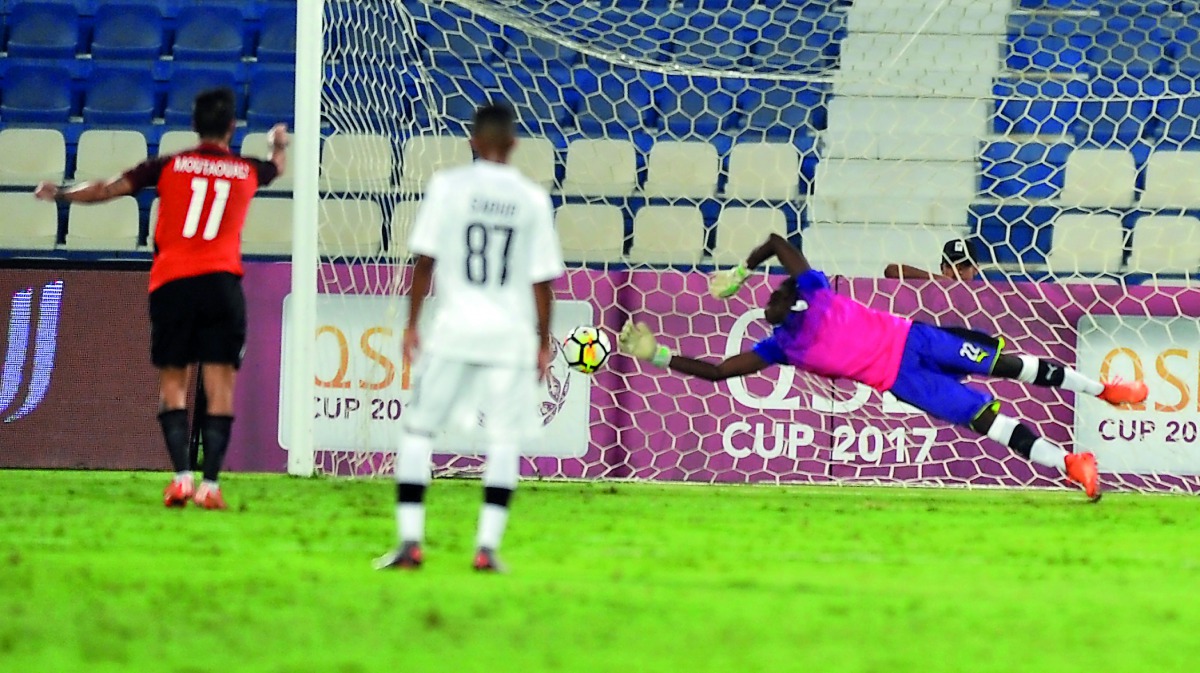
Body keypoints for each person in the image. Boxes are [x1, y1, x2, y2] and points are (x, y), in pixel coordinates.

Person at [618, 234, 1147, 501]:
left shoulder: (814, 290)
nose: (772, 303)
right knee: (987, 421)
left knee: (1008, 365)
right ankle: (1071, 465)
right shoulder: (781, 346)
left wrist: (739, 269)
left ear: (786, 294)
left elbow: (779, 242)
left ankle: (1105, 389)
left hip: (917, 338)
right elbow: (717, 372)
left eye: (774, 296)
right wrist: (658, 355)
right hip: (905, 380)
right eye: (770, 304)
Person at [35, 88, 286, 510]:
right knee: (220, 386)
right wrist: (277, 145)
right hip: (222, 284)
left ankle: (182, 479)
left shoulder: (167, 165)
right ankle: (211, 486)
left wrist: (59, 193)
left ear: (194, 125)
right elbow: (275, 168)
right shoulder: (247, 170)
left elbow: (105, 189)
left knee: (173, 383)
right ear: (231, 127)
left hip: (173, 283)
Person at [374, 102, 564, 572]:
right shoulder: (532, 199)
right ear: (515, 144)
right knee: (503, 440)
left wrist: (412, 322)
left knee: (418, 430)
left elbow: (424, 261)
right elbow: (543, 281)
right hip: (510, 334)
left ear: (473, 142)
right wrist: (544, 342)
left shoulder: (448, 188)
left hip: (454, 329)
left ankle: (410, 543)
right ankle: (486, 549)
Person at [885, 238, 981, 281]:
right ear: (941, 268)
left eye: (964, 266)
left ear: (975, 269)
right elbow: (892, 271)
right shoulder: (931, 288)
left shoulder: (983, 295)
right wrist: (936, 279)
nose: (957, 272)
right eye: (950, 266)